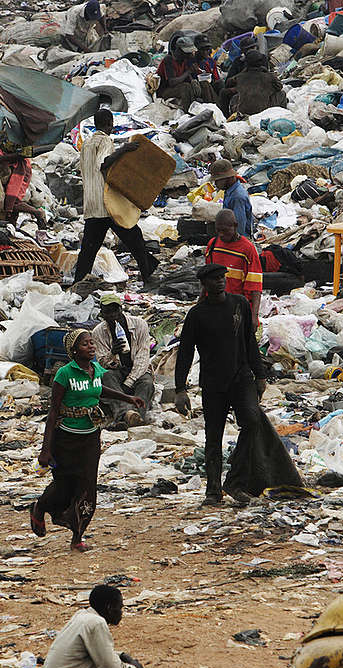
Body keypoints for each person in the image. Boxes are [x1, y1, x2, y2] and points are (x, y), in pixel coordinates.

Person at [32, 330, 145, 551]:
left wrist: (127, 397)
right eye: (85, 344)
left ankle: (77, 537)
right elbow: (53, 412)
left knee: (87, 488)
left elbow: (98, 389)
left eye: (92, 342)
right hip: (65, 438)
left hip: (91, 437)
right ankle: (39, 507)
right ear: (74, 350)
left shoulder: (96, 370)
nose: (91, 346)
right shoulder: (64, 374)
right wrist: (45, 449)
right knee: (64, 486)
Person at [174, 264, 266, 506]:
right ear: (204, 285)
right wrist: (180, 389)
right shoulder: (197, 315)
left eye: (221, 278)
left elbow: (250, 342)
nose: (220, 282)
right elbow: (184, 353)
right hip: (213, 383)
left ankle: (235, 482)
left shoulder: (239, 305)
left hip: (241, 377)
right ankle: (213, 491)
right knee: (213, 437)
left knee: (252, 423)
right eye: (214, 279)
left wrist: (260, 375)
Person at [73, 109, 157, 282]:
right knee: (134, 238)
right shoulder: (105, 141)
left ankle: (78, 282)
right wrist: (124, 149)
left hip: (91, 204)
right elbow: (104, 163)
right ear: (110, 123)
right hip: (107, 204)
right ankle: (148, 274)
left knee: (89, 249)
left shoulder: (87, 143)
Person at [40, 585, 147, 668]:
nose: (121, 612)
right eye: (119, 608)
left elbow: (99, 651)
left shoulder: (81, 615)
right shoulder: (96, 623)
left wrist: (122, 655)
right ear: (109, 608)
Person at [92, 293, 154, 428]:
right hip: (117, 371)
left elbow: (143, 358)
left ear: (121, 309)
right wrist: (112, 353)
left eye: (115, 311)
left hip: (138, 371)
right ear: (102, 313)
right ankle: (127, 415)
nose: (113, 315)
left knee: (147, 383)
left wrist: (129, 382)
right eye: (108, 312)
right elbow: (102, 363)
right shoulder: (98, 332)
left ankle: (132, 416)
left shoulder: (140, 325)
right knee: (106, 376)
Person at [205, 209, 262, 326]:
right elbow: (207, 279)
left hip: (237, 310)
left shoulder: (247, 249)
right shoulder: (213, 245)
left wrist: (254, 316)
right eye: (218, 230)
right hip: (215, 307)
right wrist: (200, 303)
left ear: (235, 226)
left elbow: (255, 286)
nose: (221, 234)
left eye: (225, 231)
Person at [0, 145, 47, 226]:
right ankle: (11, 227)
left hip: (19, 169)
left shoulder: (21, 137)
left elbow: (24, 154)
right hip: (6, 167)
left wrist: (1, 159)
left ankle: (37, 212)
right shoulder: (6, 134)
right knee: (5, 202)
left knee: (12, 202)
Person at [156, 36, 215, 110]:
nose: (189, 55)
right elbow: (172, 82)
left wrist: (194, 79)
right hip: (165, 90)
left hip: (176, 87)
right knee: (185, 87)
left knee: (205, 84)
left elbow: (188, 77)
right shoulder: (169, 60)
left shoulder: (184, 60)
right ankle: (189, 111)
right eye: (187, 53)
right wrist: (188, 72)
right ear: (179, 51)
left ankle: (212, 108)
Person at [222, 50, 287, 117]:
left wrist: (243, 72)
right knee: (282, 94)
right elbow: (279, 86)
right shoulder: (268, 76)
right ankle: (282, 116)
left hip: (243, 110)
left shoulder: (240, 77)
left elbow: (228, 83)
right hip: (264, 110)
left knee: (235, 98)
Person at [209, 159, 254, 240]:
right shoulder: (230, 191)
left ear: (228, 178)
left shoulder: (237, 197)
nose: (216, 184)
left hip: (238, 240)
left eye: (218, 180)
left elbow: (239, 227)